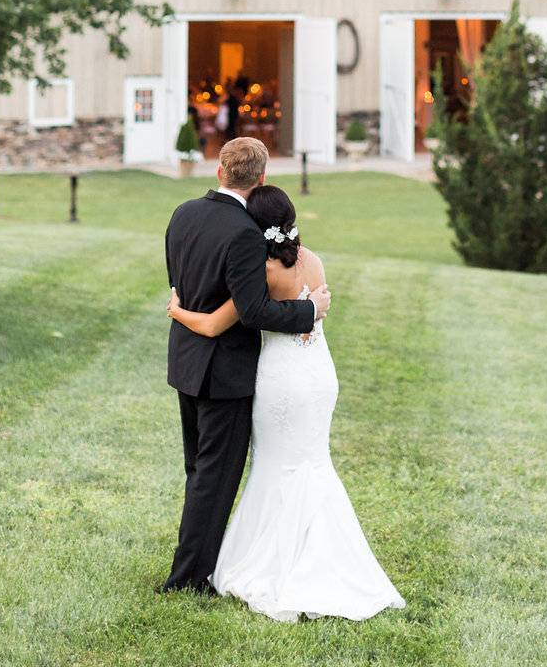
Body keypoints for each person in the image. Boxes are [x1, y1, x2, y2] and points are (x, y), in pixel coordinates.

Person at [168, 183, 405, 623]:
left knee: (275, 466)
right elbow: (317, 305)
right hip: (318, 375)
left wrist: (178, 311)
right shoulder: (312, 258)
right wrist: (312, 309)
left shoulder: (260, 269)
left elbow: (219, 323)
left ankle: (273, 563)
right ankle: (333, 560)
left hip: (280, 379)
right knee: (314, 462)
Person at [162, 137, 331, 595]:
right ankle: (189, 580)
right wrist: (308, 311)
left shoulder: (182, 214)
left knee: (199, 472)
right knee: (214, 479)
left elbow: (180, 282)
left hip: (186, 362)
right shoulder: (244, 232)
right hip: (225, 373)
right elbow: (253, 311)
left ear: (219, 172)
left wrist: (181, 312)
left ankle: (194, 566)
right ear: (261, 179)